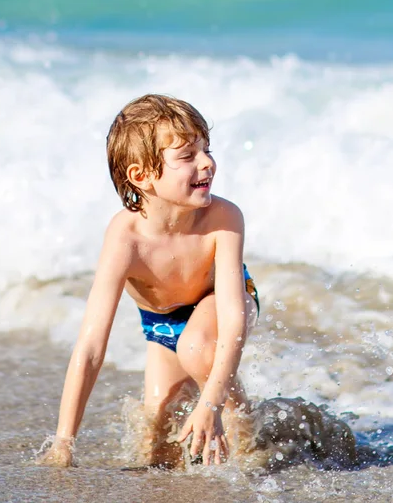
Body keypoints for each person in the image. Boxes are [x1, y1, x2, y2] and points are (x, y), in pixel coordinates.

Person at [37, 94, 259, 468]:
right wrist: (64, 442)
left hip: (223, 302)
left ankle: (245, 423)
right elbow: (91, 345)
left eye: (206, 150)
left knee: (197, 350)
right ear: (142, 176)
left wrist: (210, 404)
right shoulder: (126, 238)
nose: (207, 163)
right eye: (187, 156)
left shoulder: (224, 218)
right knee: (158, 446)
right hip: (163, 324)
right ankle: (218, 411)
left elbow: (233, 318)